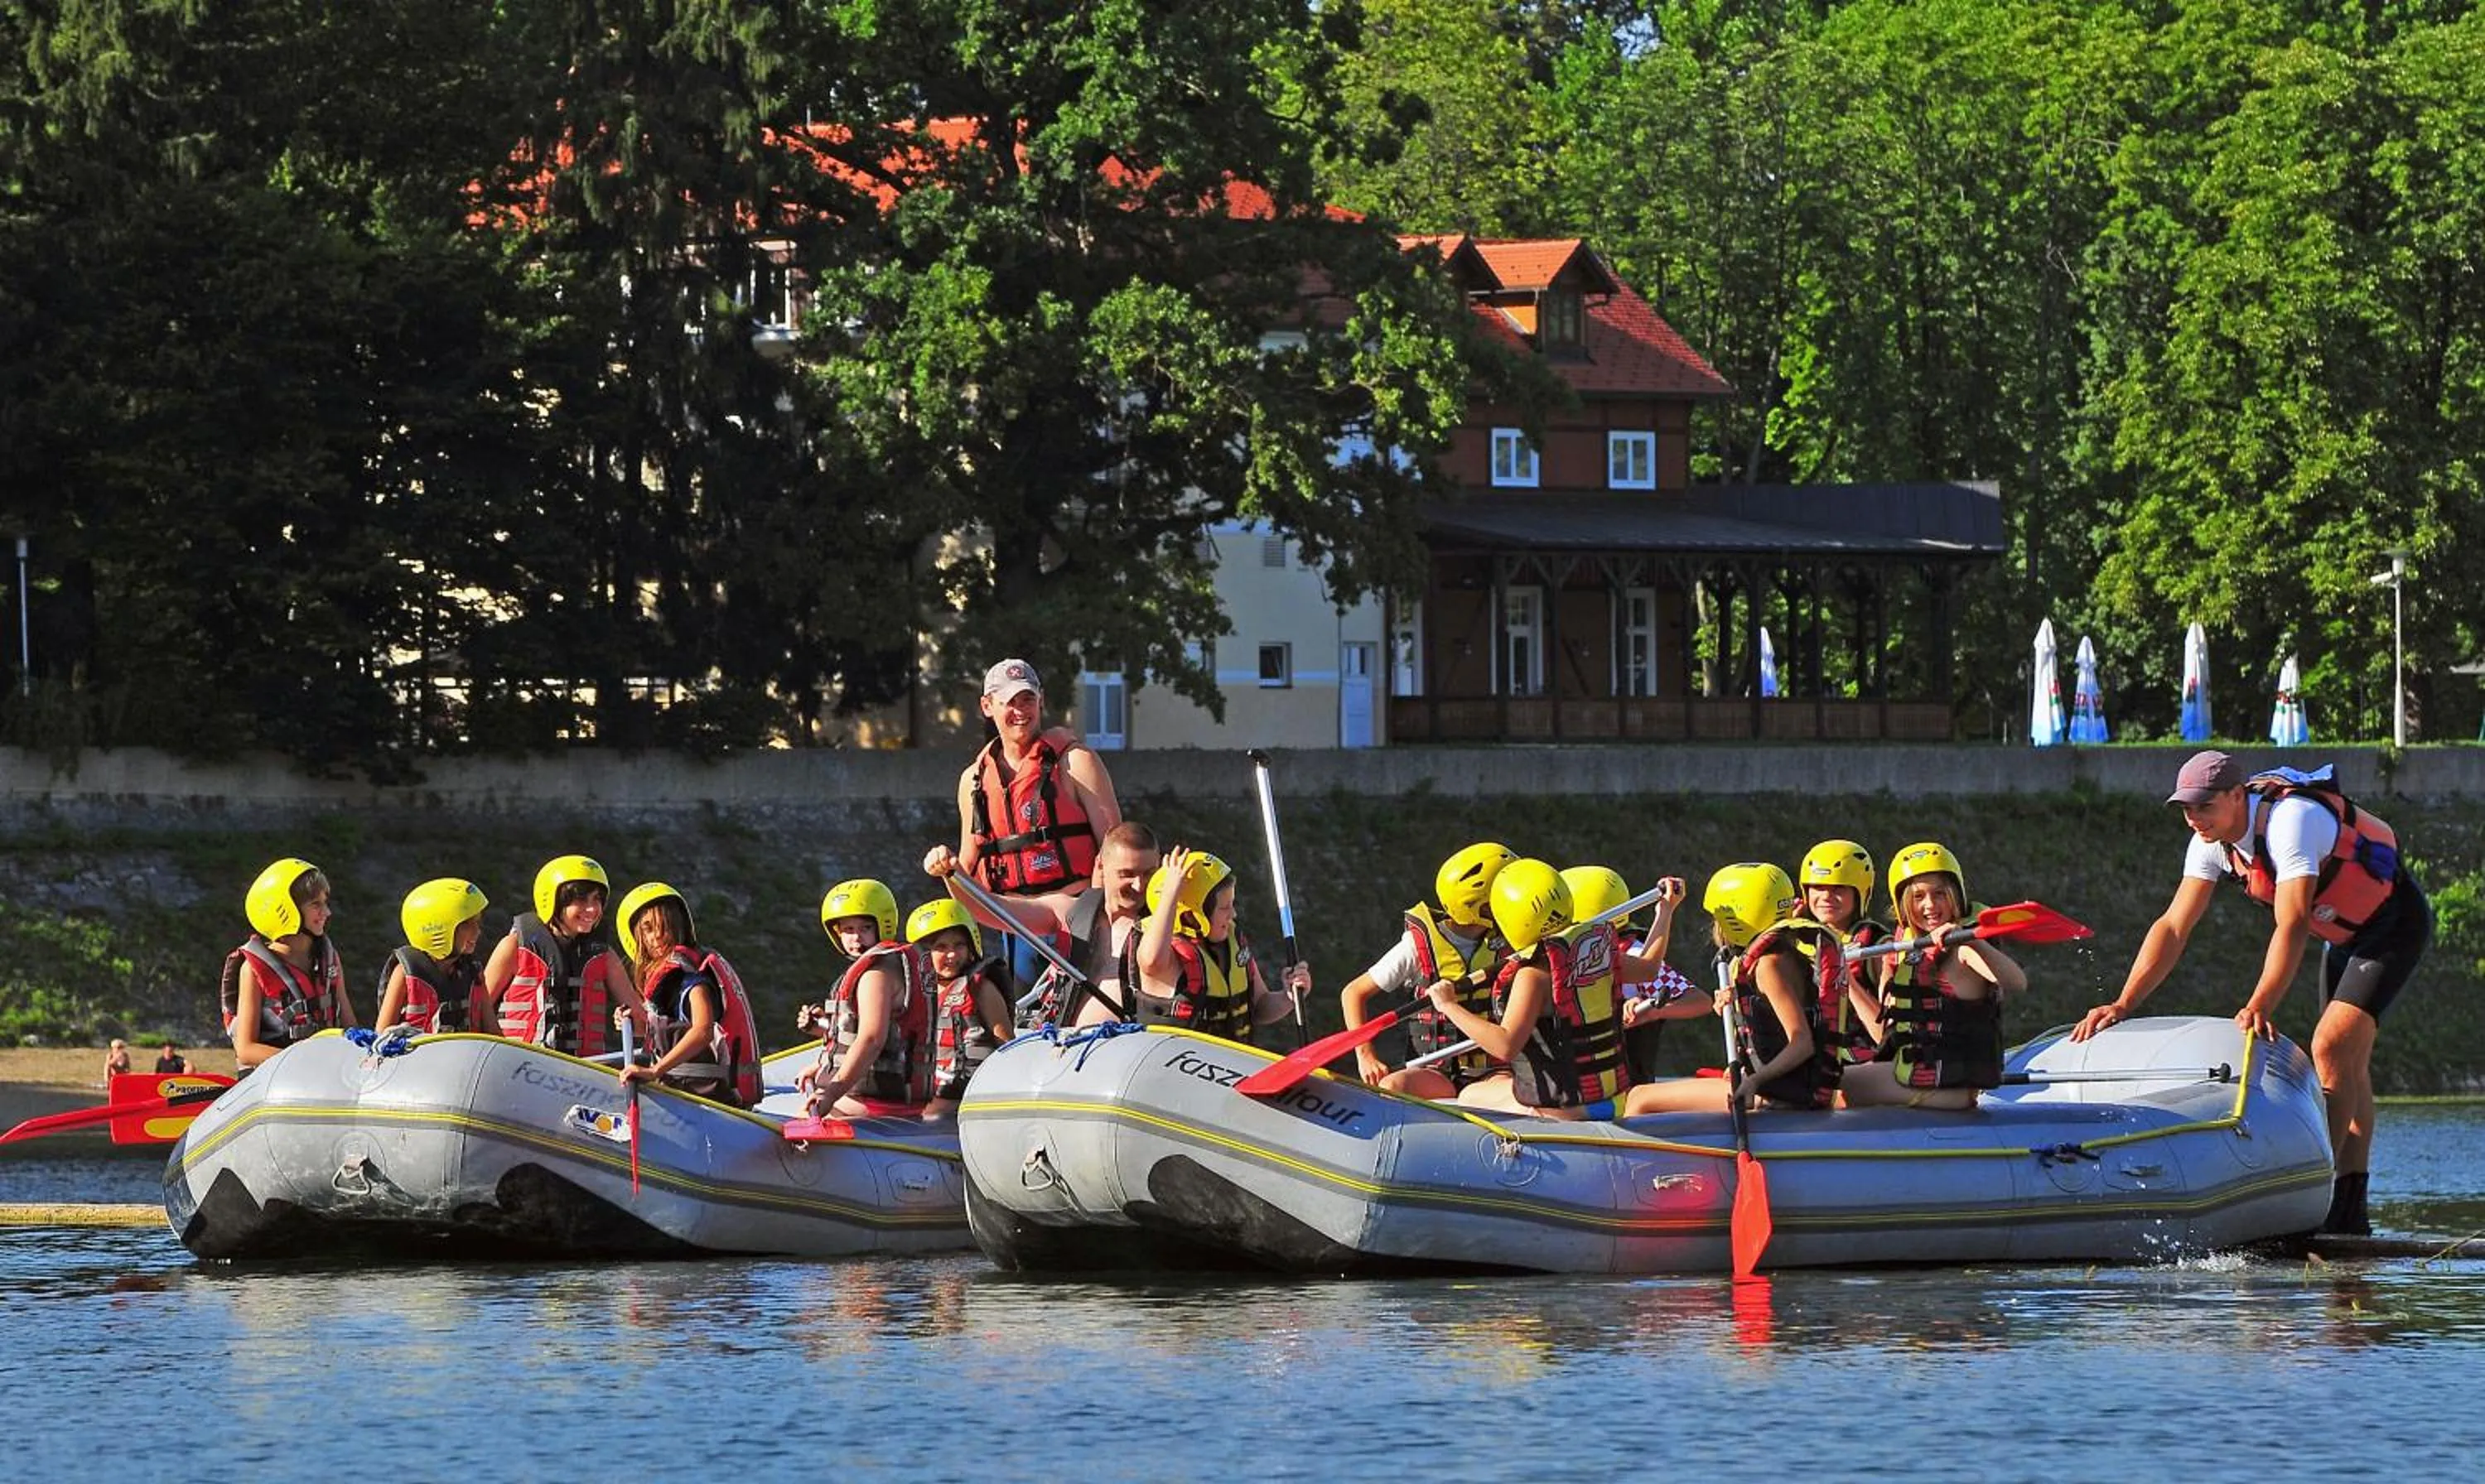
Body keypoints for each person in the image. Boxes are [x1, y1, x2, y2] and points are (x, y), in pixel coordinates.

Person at [2072, 751, 2432, 1235]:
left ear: (2238, 795)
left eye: (2205, 806)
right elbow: (2174, 926)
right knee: (2347, 1062)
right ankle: (2350, 1209)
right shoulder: (2209, 844)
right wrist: (2123, 1003)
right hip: (2343, 936)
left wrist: (2260, 1004)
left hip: (2393, 925)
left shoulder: (2291, 822)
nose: (2194, 818)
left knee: (2330, 1047)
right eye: (2186, 808)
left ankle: (2314, 1195)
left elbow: (2293, 922)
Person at [1429, 860, 1688, 1119]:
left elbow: (1505, 1046)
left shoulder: (1533, 976)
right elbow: (1649, 968)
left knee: (1470, 1094)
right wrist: (1665, 912)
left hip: (1562, 1110)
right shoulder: (1595, 952)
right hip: (1612, 1097)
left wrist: (1448, 1005)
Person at [1624, 863, 1846, 1117]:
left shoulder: (1768, 966)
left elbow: (1802, 1043)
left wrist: (1754, 1081)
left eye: (1718, 918)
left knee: (1640, 1098)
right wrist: (1737, 1006)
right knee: (1642, 1095)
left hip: (1778, 1094)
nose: (1715, 925)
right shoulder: (1775, 957)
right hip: (1775, 1086)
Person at [957, 658, 1123, 984]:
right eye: (1010, 702)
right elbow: (967, 862)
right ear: (987, 706)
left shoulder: (1076, 762)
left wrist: (1103, 917)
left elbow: (1116, 848)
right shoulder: (973, 780)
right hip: (1015, 923)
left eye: (1027, 700)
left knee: (1080, 1010)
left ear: (1041, 700)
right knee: (1026, 1011)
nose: (1020, 711)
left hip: (1077, 917)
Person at [926, 822, 1162, 1029]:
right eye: (1127, 874)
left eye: (1149, 874)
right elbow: (990, 909)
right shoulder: (1067, 911)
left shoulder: (1166, 923)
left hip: (1136, 1047)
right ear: (1101, 866)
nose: (1139, 886)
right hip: (1067, 1045)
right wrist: (953, 873)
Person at [1841, 843, 2023, 1111]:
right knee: (1819, 1080)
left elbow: (2016, 982)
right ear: (1903, 904)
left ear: (1955, 895)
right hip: (1915, 1077)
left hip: (1945, 1087)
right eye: (1918, 897)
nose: (1930, 905)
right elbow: (1886, 1036)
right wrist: (1846, 978)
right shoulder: (1903, 955)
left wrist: (1973, 941)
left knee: (1826, 1089)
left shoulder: (1963, 948)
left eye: (1940, 894)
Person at [1338, 841, 1514, 1096]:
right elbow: (1353, 993)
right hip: (1432, 1070)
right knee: (1391, 1087)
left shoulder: (1513, 940)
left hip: (1492, 1071)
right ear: (1479, 905)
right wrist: (1366, 1056)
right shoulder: (1416, 946)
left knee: (1512, 1092)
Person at [1126, 846, 1308, 1043]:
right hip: (1181, 1059)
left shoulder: (1232, 941)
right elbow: (1151, 961)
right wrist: (1171, 893)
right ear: (1192, 914)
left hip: (1231, 1058)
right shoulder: (1165, 955)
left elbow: (1260, 1006)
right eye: (1225, 907)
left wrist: (1288, 997)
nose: (1233, 914)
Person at [486, 855, 648, 1061]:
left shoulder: (604, 956)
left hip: (582, 1070)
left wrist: (627, 1019)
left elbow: (641, 1024)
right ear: (553, 901)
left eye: (597, 899)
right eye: (581, 900)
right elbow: (478, 1010)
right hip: (518, 1065)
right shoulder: (514, 947)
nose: (592, 909)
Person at [615, 882, 762, 1106]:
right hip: (684, 1089)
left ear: (680, 928)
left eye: (665, 926)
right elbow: (673, 1031)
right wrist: (634, 1025)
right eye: (648, 929)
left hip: (710, 1098)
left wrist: (655, 1071)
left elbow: (703, 1031)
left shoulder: (693, 978)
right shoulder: (670, 980)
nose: (657, 936)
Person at [801, 879, 932, 1115]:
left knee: (788, 1130)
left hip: (877, 1100)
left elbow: (871, 1040)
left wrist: (831, 1093)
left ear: (883, 925)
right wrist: (821, 1065)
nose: (856, 938)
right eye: (848, 930)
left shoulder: (876, 974)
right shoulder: (883, 966)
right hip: (875, 1093)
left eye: (865, 928)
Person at [220, 857, 356, 1072]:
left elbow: (350, 1025)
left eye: (325, 903)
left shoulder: (329, 959)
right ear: (284, 911)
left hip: (324, 1074)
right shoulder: (253, 970)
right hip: (275, 1079)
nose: (327, 912)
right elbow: (246, 1050)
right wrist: (310, 1064)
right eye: (316, 904)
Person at [908, 899, 1014, 1119]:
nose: (952, 955)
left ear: (972, 946)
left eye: (959, 945)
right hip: (930, 1091)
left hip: (968, 1093)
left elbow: (1007, 1046)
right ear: (923, 953)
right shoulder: (917, 992)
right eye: (941, 947)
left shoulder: (981, 988)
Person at [1797, 838, 1894, 1060]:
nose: (1826, 897)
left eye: (1838, 888)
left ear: (1860, 893)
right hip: (1810, 1062)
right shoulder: (1795, 940)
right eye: (1818, 888)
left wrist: (1846, 979)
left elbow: (1887, 1037)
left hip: (1863, 1063)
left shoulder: (1879, 947)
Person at [373, 878, 494, 1036]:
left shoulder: (473, 972)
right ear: (436, 928)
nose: (477, 931)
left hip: (466, 1052)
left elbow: (493, 1032)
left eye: (477, 923)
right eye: (466, 924)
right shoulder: (404, 974)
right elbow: (381, 1036)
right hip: (418, 1053)